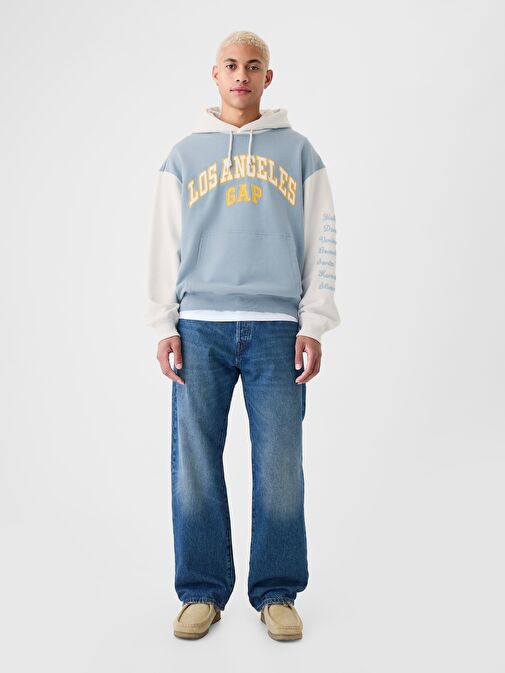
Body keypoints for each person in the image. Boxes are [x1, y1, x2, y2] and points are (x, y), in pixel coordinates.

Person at [145, 30, 340, 641]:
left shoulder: (299, 152)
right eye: (231, 65)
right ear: (215, 73)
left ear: (267, 77)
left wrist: (314, 322)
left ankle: (277, 592)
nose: (241, 75)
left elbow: (322, 237)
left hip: (277, 329)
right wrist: (163, 323)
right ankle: (202, 591)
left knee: (280, 463)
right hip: (199, 326)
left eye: (253, 66)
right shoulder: (184, 155)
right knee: (194, 464)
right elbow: (164, 242)